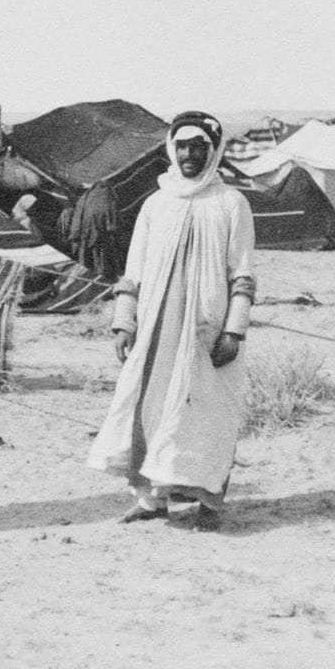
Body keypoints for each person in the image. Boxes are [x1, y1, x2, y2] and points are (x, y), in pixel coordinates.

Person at [87, 111, 256, 532]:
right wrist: (125, 321)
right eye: (181, 146)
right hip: (156, 332)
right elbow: (134, 270)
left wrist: (233, 331)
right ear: (170, 149)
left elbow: (243, 273)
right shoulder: (155, 204)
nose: (188, 155)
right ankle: (151, 501)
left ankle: (209, 506)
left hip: (207, 333)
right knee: (150, 409)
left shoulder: (232, 203)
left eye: (198, 146)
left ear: (213, 150)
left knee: (207, 416)